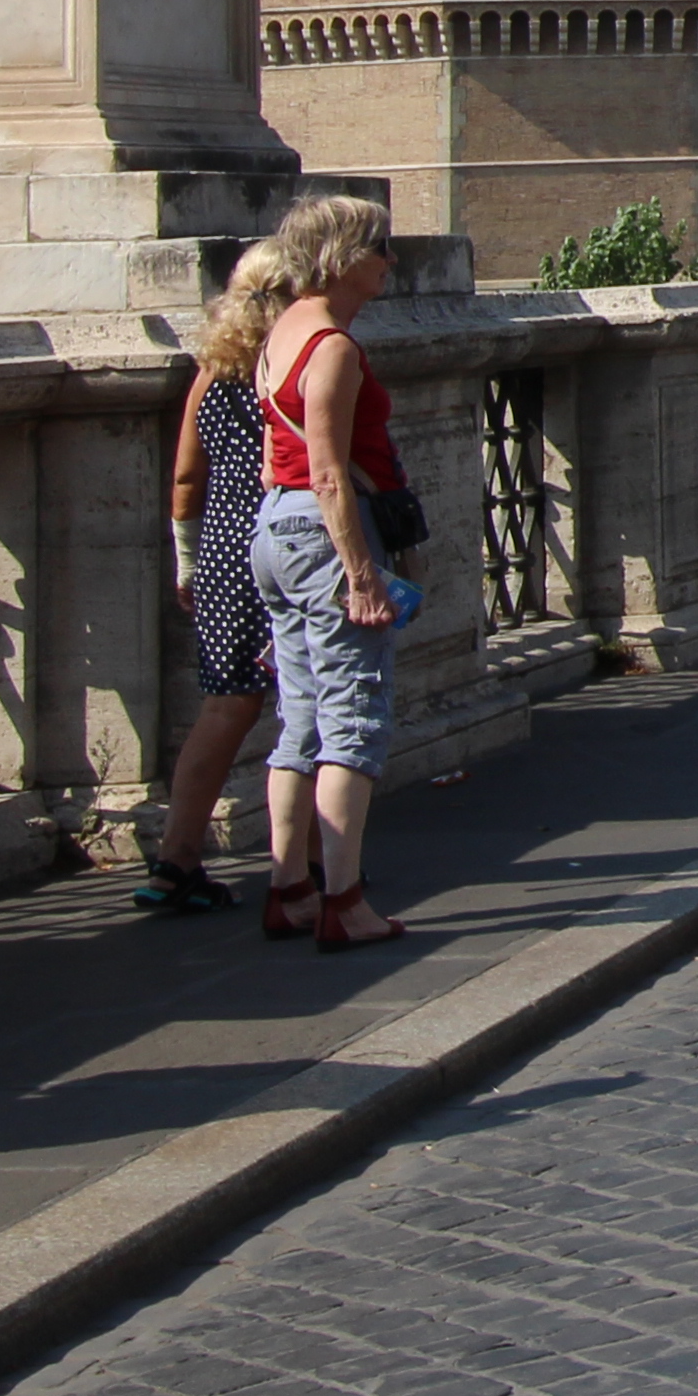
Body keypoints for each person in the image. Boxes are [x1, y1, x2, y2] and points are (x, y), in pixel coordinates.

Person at [248, 195, 422, 954]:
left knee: (300, 718)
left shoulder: (277, 333)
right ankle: (344, 901)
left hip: (275, 532)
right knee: (353, 719)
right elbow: (328, 476)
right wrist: (359, 576)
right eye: (381, 247)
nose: (391, 261)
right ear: (346, 257)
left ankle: (289, 887)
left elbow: (274, 465)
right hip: (324, 536)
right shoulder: (333, 349)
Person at [129, 252, 284, 912]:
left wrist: (188, 559)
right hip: (284, 540)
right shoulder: (296, 365)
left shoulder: (213, 370)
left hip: (221, 546)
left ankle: (175, 857)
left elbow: (187, 477)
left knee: (223, 708)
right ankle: (307, 862)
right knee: (306, 707)